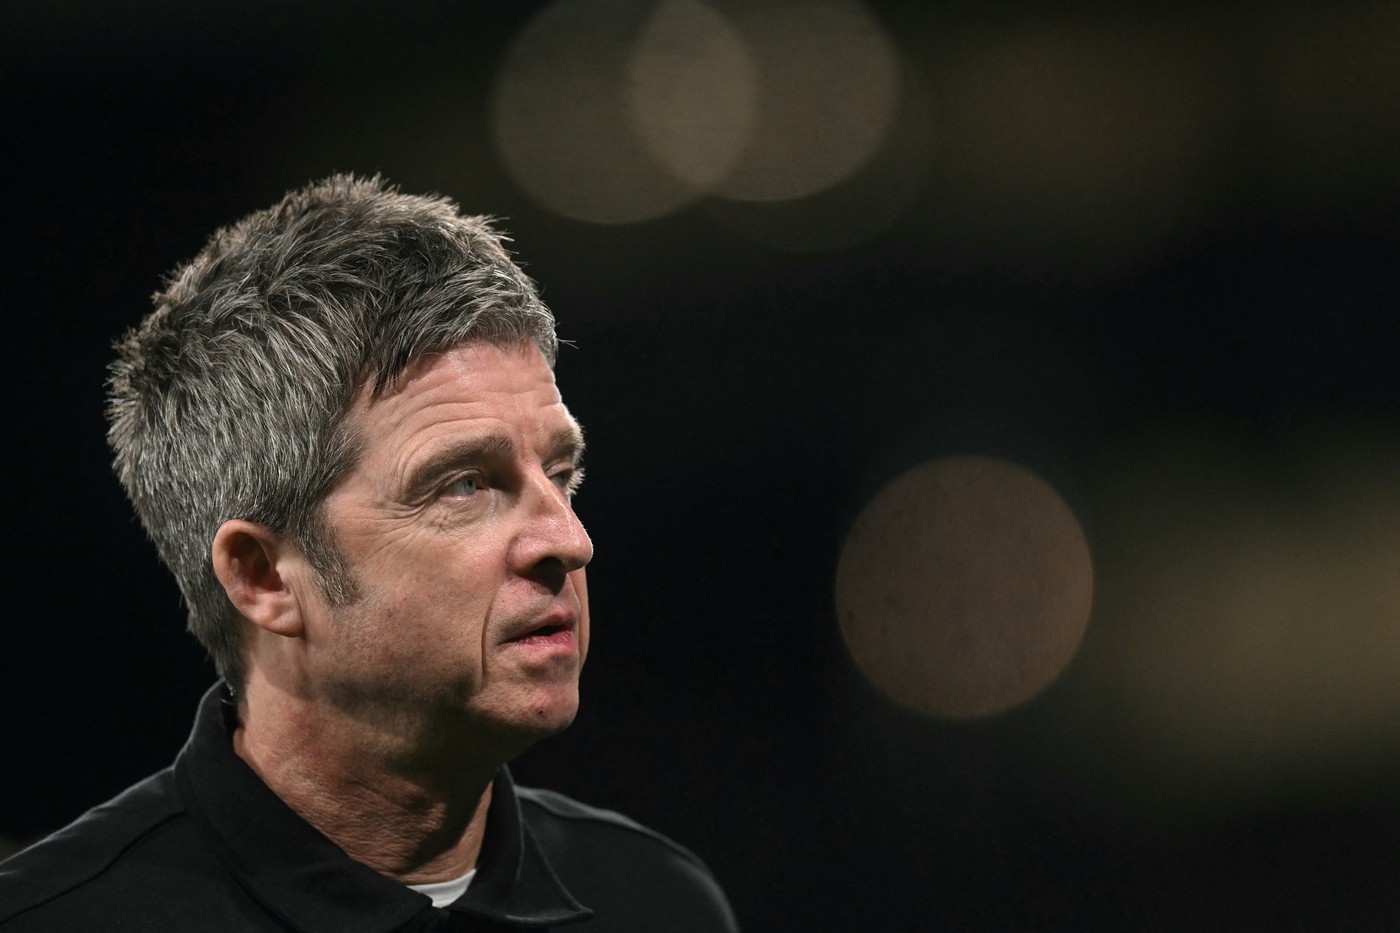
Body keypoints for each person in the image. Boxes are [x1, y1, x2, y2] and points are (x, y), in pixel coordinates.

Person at [0, 175, 737, 932]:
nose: (569, 541)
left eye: (560, 473)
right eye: (464, 485)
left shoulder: (659, 899)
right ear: (263, 577)